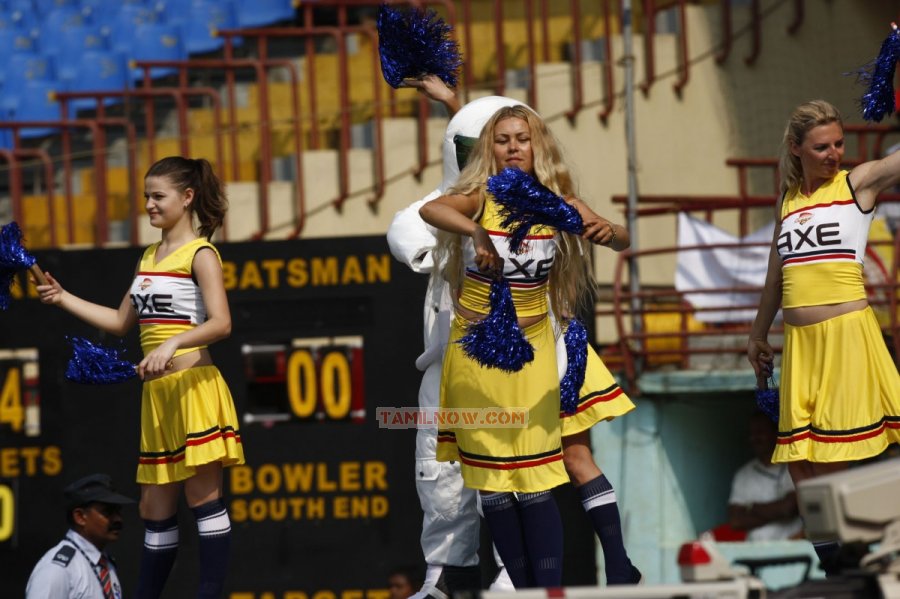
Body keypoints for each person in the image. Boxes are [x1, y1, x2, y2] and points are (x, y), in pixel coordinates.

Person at [390, 78, 640, 590]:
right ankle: (501, 582)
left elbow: (618, 237)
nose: (512, 147)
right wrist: (476, 231)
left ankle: (584, 573)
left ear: (536, 145)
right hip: (476, 353)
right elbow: (432, 208)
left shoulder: (555, 202)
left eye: (521, 139)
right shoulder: (475, 198)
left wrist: (605, 231)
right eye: (502, 141)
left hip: (535, 351)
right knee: (491, 481)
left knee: (544, 474)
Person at [35, 156, 245, 598]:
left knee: (202, 500)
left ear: (187, 198)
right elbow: (118, 320)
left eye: (158, 196)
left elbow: (222, 323)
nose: (149, 204)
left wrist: (174, 343)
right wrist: (62, 298)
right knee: (155, 507)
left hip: (193, 388)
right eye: (146, 196)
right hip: (159, 397)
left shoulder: (201, 253)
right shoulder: (149, 256)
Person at [747, 99, 900, 572]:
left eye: (838, 144)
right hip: (801, 346)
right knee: (799, 464)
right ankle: (838, 565)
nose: (834, 153)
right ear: (796, 149)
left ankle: (851, 567)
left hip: (846, 338)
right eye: (821, 147)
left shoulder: (858, 183)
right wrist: (758, 334)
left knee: (830, 463)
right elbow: (777, 274)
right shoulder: (789, 200)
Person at [26, 473, 135, 599]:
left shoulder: (106, 565)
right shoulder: (57, 569)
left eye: (118, 511)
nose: (118, 519)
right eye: (108, 512)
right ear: (80, 517)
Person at [727, 411, 803, 542]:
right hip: (755, 551)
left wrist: (751, 508)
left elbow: (790, 508)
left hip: (792, 548)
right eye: (752, 433)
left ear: (776, 433)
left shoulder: (794, 466)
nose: (755, 438)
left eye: (761, 432)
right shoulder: (743, 474)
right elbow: (736, 522)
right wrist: (779, 509)